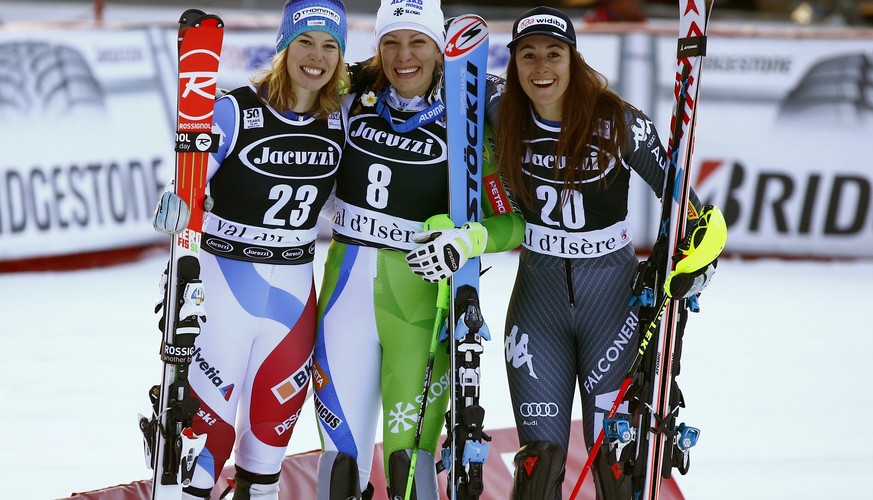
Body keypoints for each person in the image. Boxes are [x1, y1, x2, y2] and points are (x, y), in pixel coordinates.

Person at [489, 6, 725, 499]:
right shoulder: (497, 108)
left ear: (574, 60)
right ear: (513, 65)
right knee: (538, 467)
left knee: (617, 463)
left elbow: (688, 205)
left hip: (611, 306)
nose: (541, 68)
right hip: (538, 303)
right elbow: (422, 79)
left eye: (554, 55)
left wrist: (693, 263)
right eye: (527, 56)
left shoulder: (619, 122)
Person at [311, 1, 524, 498]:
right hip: (344, 302)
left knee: (410, 469)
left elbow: (514, 222)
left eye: (418, 42)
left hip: (419, 310)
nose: (404, 55)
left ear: (439, 48)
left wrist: (466, 240)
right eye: (391, 42)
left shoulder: (468, 122)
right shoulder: (349, 102)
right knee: (339, 468)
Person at [151, 1, 349, 498]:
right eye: (305, 41)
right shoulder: (236, 109)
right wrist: (173, 203)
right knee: (200, 455)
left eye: (330, 46)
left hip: (292, 300)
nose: (316, 57)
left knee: (265, 462)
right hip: (224, 290)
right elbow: (187, 185)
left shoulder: (340, 120)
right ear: (283, 46)